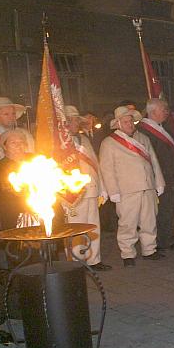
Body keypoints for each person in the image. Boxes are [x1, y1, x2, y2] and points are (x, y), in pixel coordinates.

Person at [99, 106, 165, 267]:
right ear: (118, 124)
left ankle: (149, 249)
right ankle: (127, 253)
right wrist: (112, 191)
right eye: (126, 122)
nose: (130, 124)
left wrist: (159, 182)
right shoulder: (109, 143)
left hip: (147, 187)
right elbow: (107, 169)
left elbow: (154, 162)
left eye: (131, 121)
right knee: (127, 224)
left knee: (149, 221)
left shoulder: (143, 138)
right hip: (126, 190)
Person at [63, 106, 111, 271]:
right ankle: (76, 262)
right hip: (73, 193)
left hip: (91, 189)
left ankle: (93, 259)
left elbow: (95, 164)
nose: (76, 123)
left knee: (93, 226)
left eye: (77, 120)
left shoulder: (84, 140)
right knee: (75, 228)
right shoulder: (60, 143)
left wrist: (102, 187)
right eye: (73, 120)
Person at [138, 98, 174, 251]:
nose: (167, 112)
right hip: (157, 178)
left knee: (168, 209)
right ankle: (157, 242)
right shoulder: (143, 131)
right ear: (153, 111)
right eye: (164, 109)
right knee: (157, 212)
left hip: (169, 176)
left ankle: (168, 238)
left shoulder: (164, 128)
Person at [0, 97, 35, 163]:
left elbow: (32, 157)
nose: (11, 117)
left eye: (13, 113)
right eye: (6, 114)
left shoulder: (26, 134)